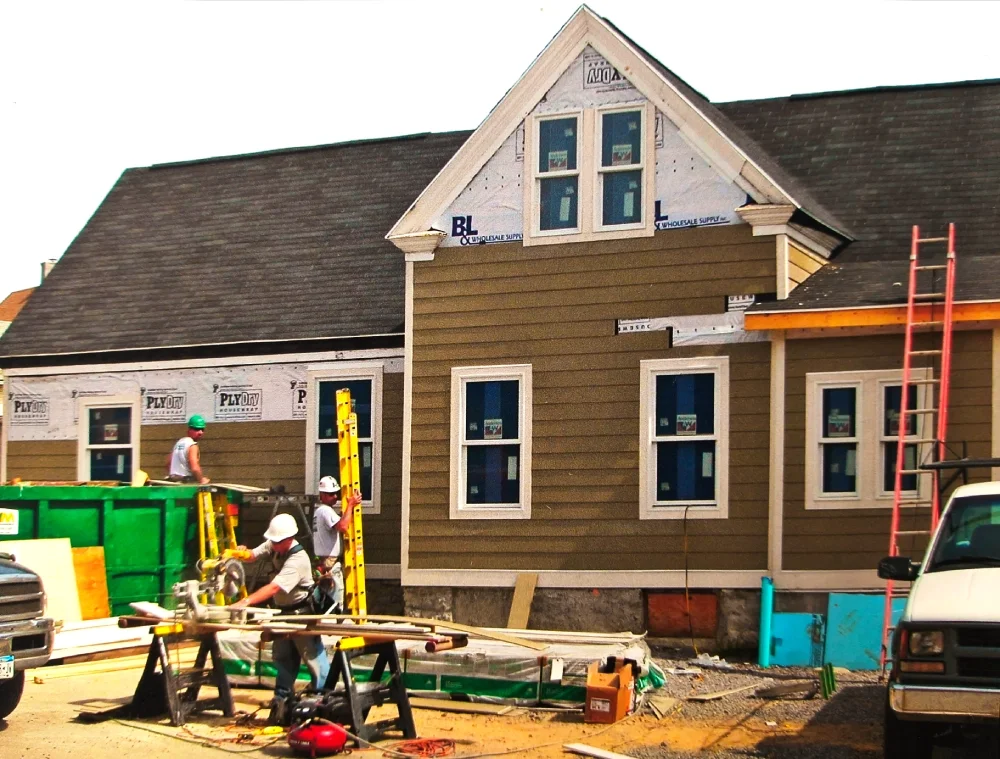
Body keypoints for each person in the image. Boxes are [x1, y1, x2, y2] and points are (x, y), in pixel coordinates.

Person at [231, 513, 329, 707]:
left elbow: (274, 587)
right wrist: (240, 553)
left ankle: (322, 696)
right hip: (284, 612)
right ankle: (282, 698)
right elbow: (253, 555)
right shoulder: (274, 545)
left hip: (301, 613)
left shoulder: (298, 559)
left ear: (289, 539)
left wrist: (246, 601)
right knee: (283, 656)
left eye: (277, 541)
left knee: (312, 657)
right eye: (272, 541)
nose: (273, 544)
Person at [311, 476, 361, 613]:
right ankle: (332, 624)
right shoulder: (325, 511)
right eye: (330, 494)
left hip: (322, 561)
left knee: (323, 597)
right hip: (329, 563)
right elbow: (343, 526)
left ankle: (324, 622)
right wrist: (351, 505)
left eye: (335, 493)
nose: (334, 496)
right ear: (322, 495)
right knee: (334, 599)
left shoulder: (319, 511)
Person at [166, 414, 209, 484]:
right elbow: (194, 468)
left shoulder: (179, 443)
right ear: (189, 429)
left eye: (202, 429)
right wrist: (201, 480)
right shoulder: (192, 445)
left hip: (173, 482)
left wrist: (174, 476)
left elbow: (168, 463)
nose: (200, 432)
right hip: (186, 483)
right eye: (197, 429)